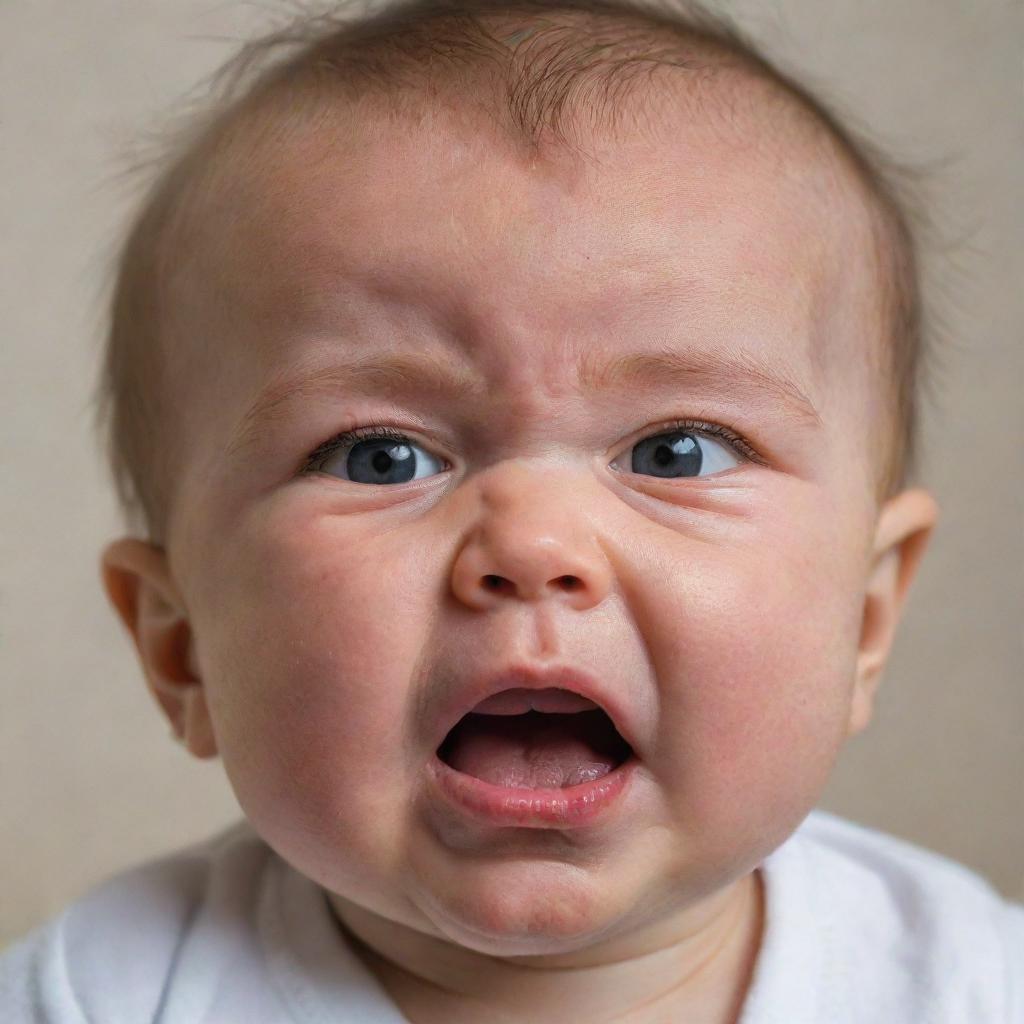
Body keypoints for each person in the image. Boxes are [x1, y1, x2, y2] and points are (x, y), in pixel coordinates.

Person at [3, 0, 1022, 1020]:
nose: (533, 545)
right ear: (180, 648)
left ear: (866, 617)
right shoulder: (97, 993)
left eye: (678, 449)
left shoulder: (967, 982)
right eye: (379, 456)